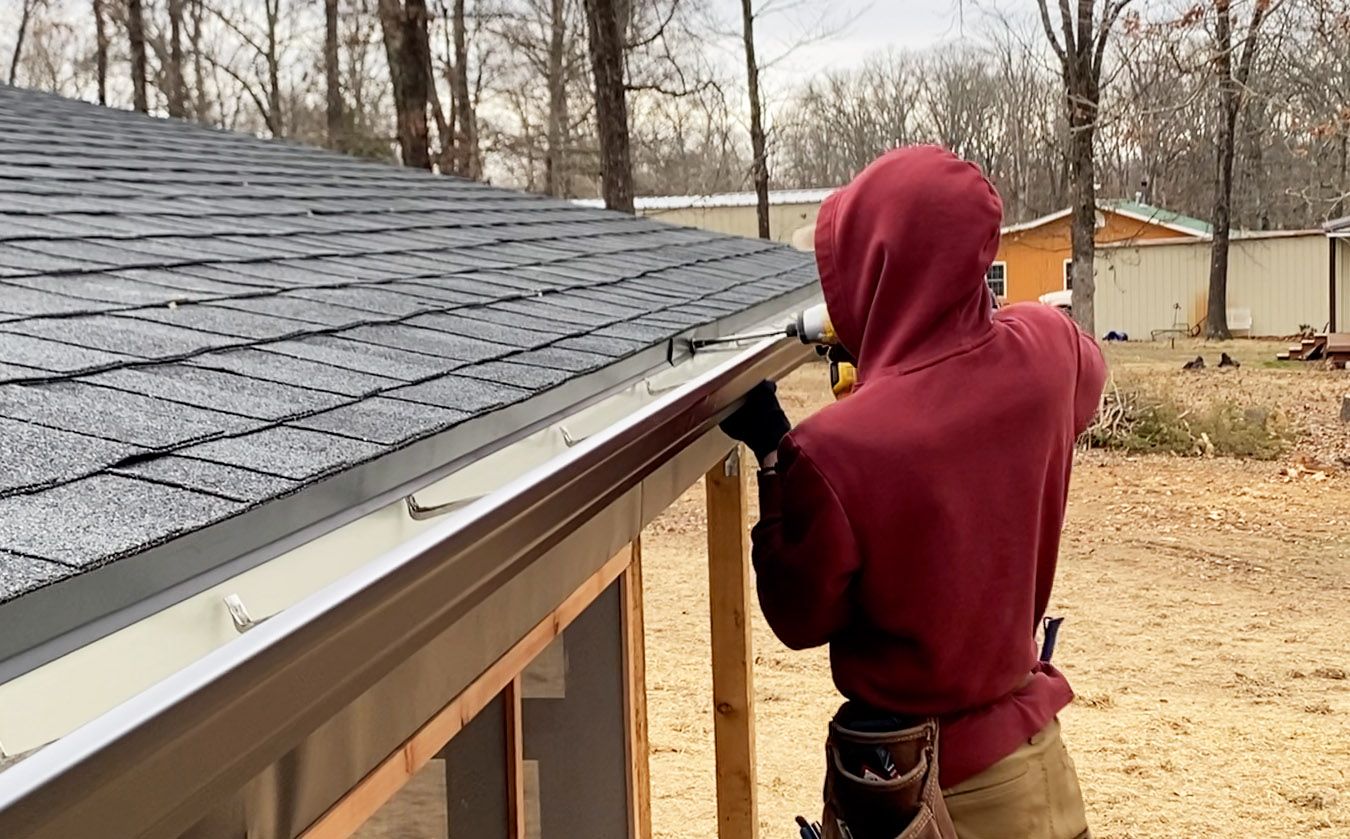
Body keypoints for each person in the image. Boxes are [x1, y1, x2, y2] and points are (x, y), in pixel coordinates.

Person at [719, 145, 1107, 839]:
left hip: (937, 797)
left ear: (874, 269)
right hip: (1040, 764)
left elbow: (798, 614)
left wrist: (777, 456)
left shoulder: (836, 448)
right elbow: (1073, 371)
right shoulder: (1048, 353)